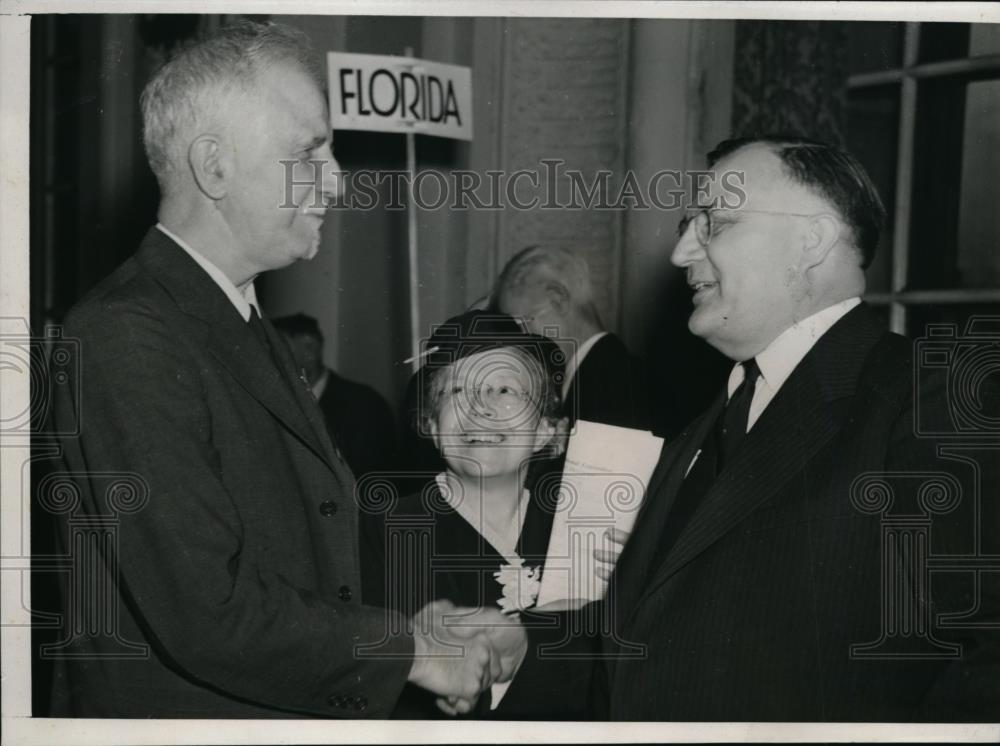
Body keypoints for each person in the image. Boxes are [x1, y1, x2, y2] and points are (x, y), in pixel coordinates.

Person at [44, 21, 519, 718]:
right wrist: (412, 654)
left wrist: (418, 624)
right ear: (214, 167)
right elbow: (206, 610)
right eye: (310, 150)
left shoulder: (229, 313)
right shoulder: (127, 334)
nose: (336, 178)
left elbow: (298, 534)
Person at [499, 136, 1000, 720]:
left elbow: (982, 655)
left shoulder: (928, 397)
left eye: (714, 222)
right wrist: (520, 647)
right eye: (688, 224)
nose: (681, 252)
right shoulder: (696, 432)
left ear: (811, 239)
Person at [361, 311, 568, 717]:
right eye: (457, 391)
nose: (480, 409)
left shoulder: (580, 530)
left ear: (545, 429)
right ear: (432, 426)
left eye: (505, 389)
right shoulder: (381, 532)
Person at [491, 246, 652, 431]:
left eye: (519, 326)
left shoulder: (609, 385)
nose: (517, 342)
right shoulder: (598, 375)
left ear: (557, 299)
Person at [272, 312, 396, 479]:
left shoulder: (364, 405)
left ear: (310, 349)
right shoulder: (277, 403)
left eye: (279, 348)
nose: (271, 357)